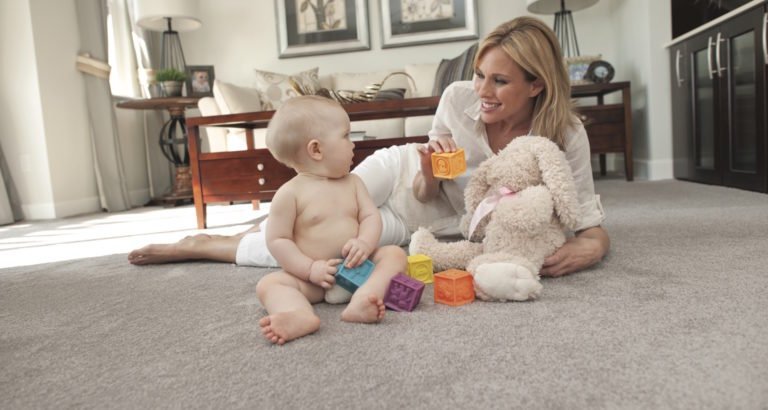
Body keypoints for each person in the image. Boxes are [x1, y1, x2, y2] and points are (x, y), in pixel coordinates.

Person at [128, 16, 608, 277]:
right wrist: (428, 173)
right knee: (317, 203)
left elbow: (589, 225)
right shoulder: (457, 98)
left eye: (499, 81)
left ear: (537, 86)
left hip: (421, 222)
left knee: (327, 247)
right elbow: (425, 189)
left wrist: (588, 251)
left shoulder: (563, 136)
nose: (481, 90)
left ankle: (215, 247)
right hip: (401, 175)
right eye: (479, 74)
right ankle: (237, 234)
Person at [253, 95, 406, 345]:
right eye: (346, 136)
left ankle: (363, 299)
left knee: (394, 255)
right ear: (316, 149)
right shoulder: (289, 194)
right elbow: (278, 240)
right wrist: (309, 269)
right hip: (314, 281)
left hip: (359, 268)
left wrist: (365, 243)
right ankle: (298, 313)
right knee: (269, 284)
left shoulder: (354, 183)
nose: (353, 144)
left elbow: (370, 216)